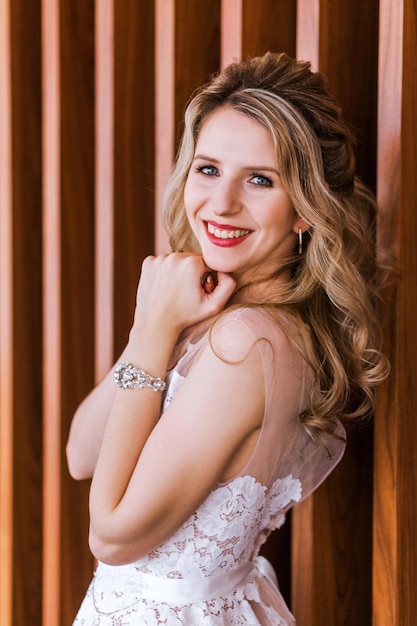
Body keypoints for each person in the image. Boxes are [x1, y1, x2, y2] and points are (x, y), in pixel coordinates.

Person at [67, 52, 389, 625]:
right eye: (208, 168)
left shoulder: (246, 343)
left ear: (304, 210)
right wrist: (161, 329)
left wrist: (150, 331)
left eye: (260, 180)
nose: (222, 203)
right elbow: (81, 452)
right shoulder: (227, 317)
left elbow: (112, 537)